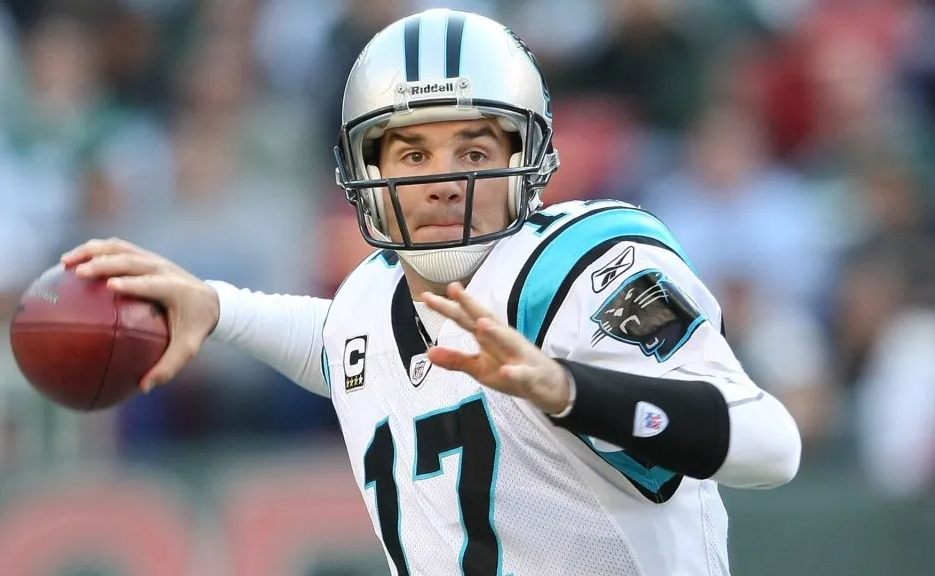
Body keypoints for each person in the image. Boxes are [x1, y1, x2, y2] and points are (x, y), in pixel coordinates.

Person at [62, 9, 801, 575]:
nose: (442, 179)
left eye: (474, 149)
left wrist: (569, 389)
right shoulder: (370, 301)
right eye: (413, 152)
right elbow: (339, 347)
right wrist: (219, 307)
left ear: (529, 158)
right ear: (367, 174)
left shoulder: (582, 268)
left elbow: (771, 448)